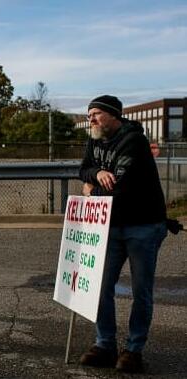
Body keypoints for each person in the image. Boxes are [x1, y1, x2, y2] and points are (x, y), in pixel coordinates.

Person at [78, 95, 167, 373]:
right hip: (112, 226)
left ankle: (133, 350)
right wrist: (96, 172)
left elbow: (121, 188)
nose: (91, 118)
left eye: (96, 114)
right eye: (89, 113)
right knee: (100, 286)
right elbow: (83, 169)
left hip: (143, 225)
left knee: (141, 291)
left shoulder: (133, 140)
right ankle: (105, 344)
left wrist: (91, 189)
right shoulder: (95, 138)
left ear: (114, 116)